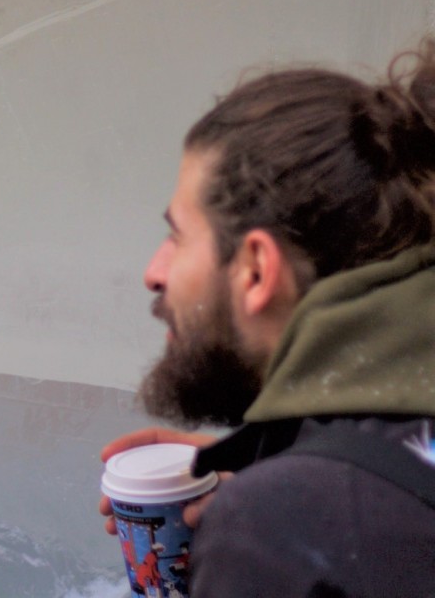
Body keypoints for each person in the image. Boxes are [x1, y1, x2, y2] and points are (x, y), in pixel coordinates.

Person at [100, 41, 435, 595]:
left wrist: (271, 518)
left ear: (255, 270)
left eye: (178, 236)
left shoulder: (278, 531)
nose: (154, 272)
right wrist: (284, 465)